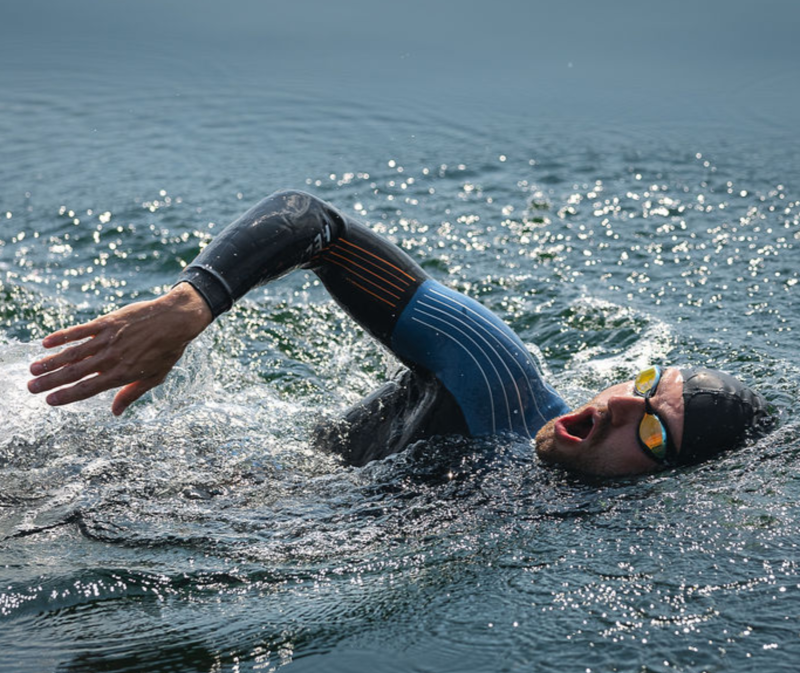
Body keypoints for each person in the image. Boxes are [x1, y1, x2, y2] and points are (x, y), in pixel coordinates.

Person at [27, 190, 774, 476]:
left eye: (653, 434)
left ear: (668, 490)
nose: (619, 407)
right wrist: (191, 305)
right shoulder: (501, 385)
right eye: (644, 389)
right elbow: (318, 224)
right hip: (104, 473)